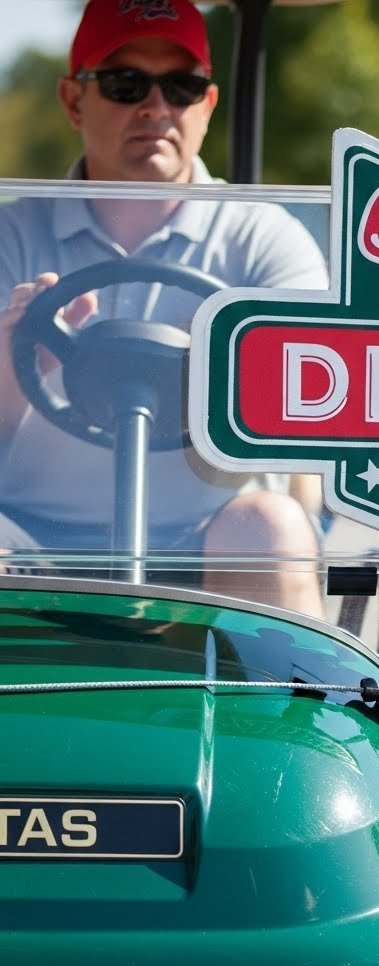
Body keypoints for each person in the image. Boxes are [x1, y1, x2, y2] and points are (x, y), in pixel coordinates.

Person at [0, 0, 328, 612]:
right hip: (28, 538)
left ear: (207, 104)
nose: (156, 107)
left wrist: (221, 376)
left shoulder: (264, 240)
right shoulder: (11, 238)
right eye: (126, 84)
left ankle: (282, 684)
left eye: (181, 87)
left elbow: (308, 419)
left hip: (205, 541)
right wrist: (18, 360)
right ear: (74, 100)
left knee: (271, 528)